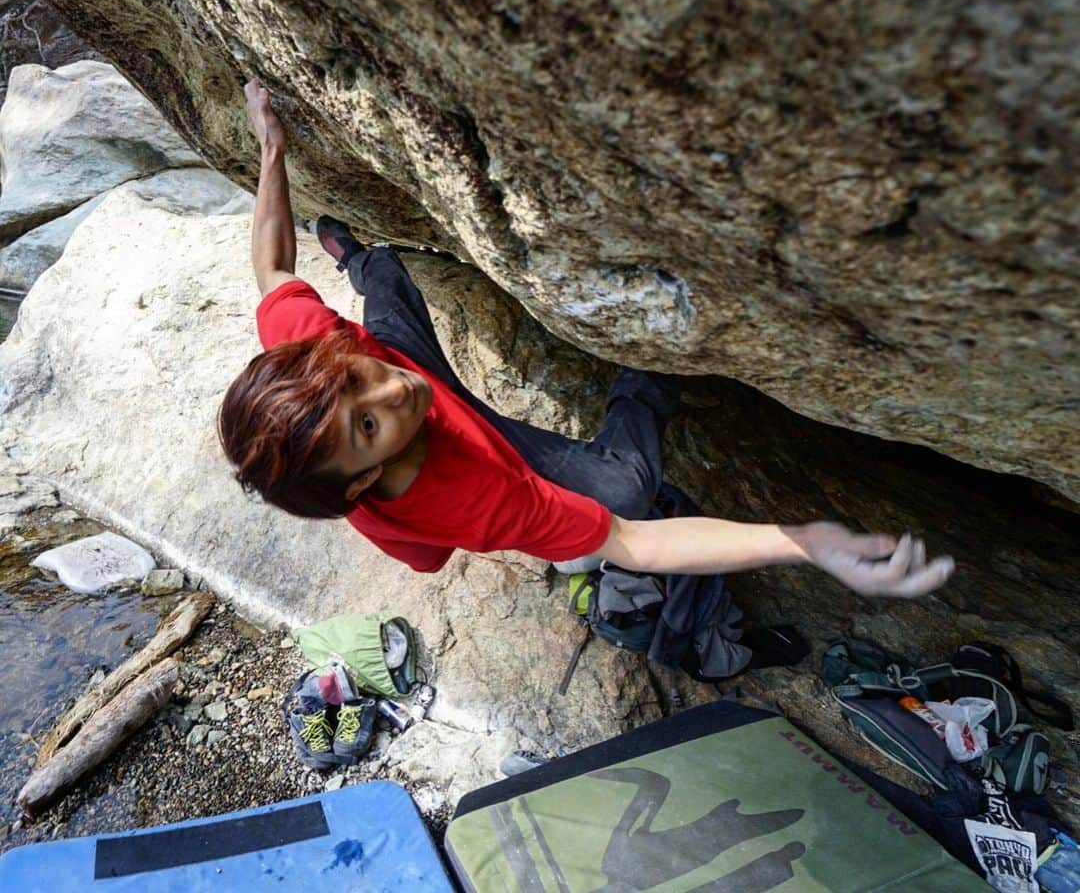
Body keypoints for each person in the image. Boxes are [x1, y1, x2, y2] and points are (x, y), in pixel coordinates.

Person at [218, 80, 955, 600]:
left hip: (383, 357)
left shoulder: (323, 351)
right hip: (459, 446)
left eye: (353, 384)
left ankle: (360, 258)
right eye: (366, 422)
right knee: (627, 491)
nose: (389, 389)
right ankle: (647, 373)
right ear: (362, 481)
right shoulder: (473, 499)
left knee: (387, 288)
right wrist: (809, 543)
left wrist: (272, 151)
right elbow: (635, 544)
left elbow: (273, 264)